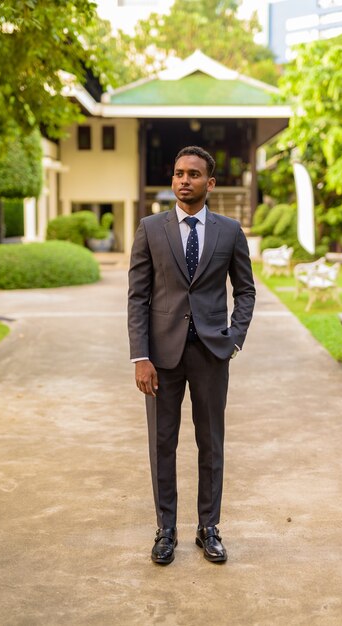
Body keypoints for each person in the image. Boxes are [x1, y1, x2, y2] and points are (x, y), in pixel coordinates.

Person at [128, 146, 256, 565]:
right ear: (173, 180)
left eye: (194, 174)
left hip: (211, 354)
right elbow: (138, 297)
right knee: (162, 444)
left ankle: (209, 528)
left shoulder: (229, 231)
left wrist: (234, 338)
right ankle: (166, 530)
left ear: (210, 183)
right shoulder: (150, 228)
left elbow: (246, 289)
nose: (185, 180)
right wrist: (139, 357)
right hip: (161, 356)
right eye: (179, 173)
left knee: (210, 443)